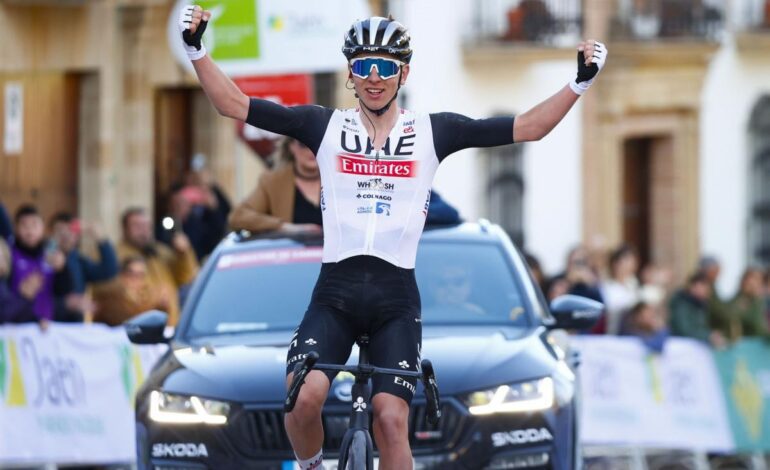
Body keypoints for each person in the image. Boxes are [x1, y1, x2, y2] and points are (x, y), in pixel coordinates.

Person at [179, 7, 607, 468]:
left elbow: (530, 128)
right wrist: (196, 50)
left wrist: (578, 83)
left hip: (395, 301)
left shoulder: (432, 131)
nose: (374, 78)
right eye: (364, 67)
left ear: (403, 72)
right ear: (351, 73)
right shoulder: (324, 127)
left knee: (390, 419)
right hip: (335, 295)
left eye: (385, 67)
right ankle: (311, 466)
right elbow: (234, 104)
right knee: (304, 400)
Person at [117, 207, 198, 326]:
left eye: (146, 226)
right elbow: (123, 296)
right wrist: (154, 300)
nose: (143, 231)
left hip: (171, 323)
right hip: (139, 328)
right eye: (137, 226)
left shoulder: (159, 251)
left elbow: (186, 277)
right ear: (125, 229)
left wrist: (183, 255)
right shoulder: (117, 256)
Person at [229, 137, 323, 234]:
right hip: (289, 248)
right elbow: (238, 217)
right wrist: (283, 226)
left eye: (316, 143)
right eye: (303, 144)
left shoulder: (338, 178)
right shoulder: (273, 182)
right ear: (291, 146)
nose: (311, 149)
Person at [49, 212, 119, 322]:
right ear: (51, 234)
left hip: (76, 327)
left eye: (70, 231)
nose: (66, 236)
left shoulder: (79, 260)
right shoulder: (41, 259)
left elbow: (109, 271)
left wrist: (100, 238)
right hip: (46, 326)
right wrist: (64, 304)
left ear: (77, 236)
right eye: (60, 231)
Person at [7, 204, 71, 322]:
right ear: (16, 228)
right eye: (24, 225)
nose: (30, 231)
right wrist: (22, 294)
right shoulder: (8, 255)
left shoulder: (52, 253)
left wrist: (62, 270)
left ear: (42, 227)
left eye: (34, 225)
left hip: (48, 326)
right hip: (16, 326)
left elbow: (64, 293)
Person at [92, 257, 171, 326]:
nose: (135, 279)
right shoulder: (110, 295)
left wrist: (161, 307)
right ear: (122, 275)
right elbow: (127, 321)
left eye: (140, 275)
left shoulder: (146, 296)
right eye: (131, 274)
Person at [668, 272, 725, 347]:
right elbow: (684, 330)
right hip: (682, 346)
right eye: (703, 286)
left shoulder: (702, 305)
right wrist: (708, 335)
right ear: (693, 286)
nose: (706, 291)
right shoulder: (682, 303)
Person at [713, 267, 770, 341]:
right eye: (749, 279)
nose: (751, 283)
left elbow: (759, 327)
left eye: (756, 280)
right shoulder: (738, 300)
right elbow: (726, 316)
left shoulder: (762, 303)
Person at [0, 238, 39, 324]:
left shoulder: (4, 284)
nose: (1, 261)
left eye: (2, 257)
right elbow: (2, 315)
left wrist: (37, 320)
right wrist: (23, 297)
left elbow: (18, 317)